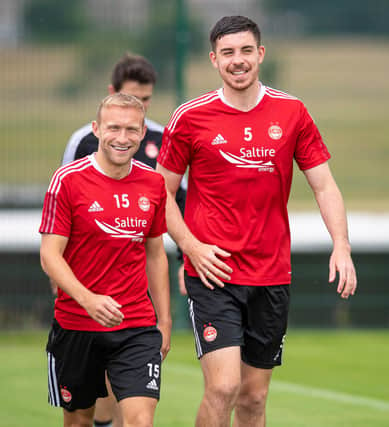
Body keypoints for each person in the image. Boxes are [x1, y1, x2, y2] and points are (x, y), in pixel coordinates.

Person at [156, 15, 357, 427]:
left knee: (253, 398)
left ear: (260, 54)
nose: (238, 60)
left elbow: (324, 186)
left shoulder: (292, 112)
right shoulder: (190, 117)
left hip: (271, 273)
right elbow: (160, 193)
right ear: (214, 60)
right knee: (223, 387)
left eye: (246, 51)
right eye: (228, 53)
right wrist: (191, 247)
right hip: (214, 273)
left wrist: (341, 244)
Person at [59, 54, 186, 427]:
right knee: (86, 408)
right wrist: (66, 284)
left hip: (135, 299)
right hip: (82, 296)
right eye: (133, 98)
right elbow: (59, 221)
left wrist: (184, 264)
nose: (138, 109)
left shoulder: (161, 143)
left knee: (133, 403)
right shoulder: (80, 144)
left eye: (146, 102)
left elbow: (173, 215)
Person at [40, 93, 171, 427]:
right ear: (97, 129)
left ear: (143, 133)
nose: (122, 138)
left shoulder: (153, 183)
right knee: (80, 422)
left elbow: (155, 254)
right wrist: (89, 300)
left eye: (131, 129)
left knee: (140, 421)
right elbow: (50, 255)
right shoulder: (67, 181)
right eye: (114, 128)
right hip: (76, 325)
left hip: (137, 326)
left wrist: (165, 321)